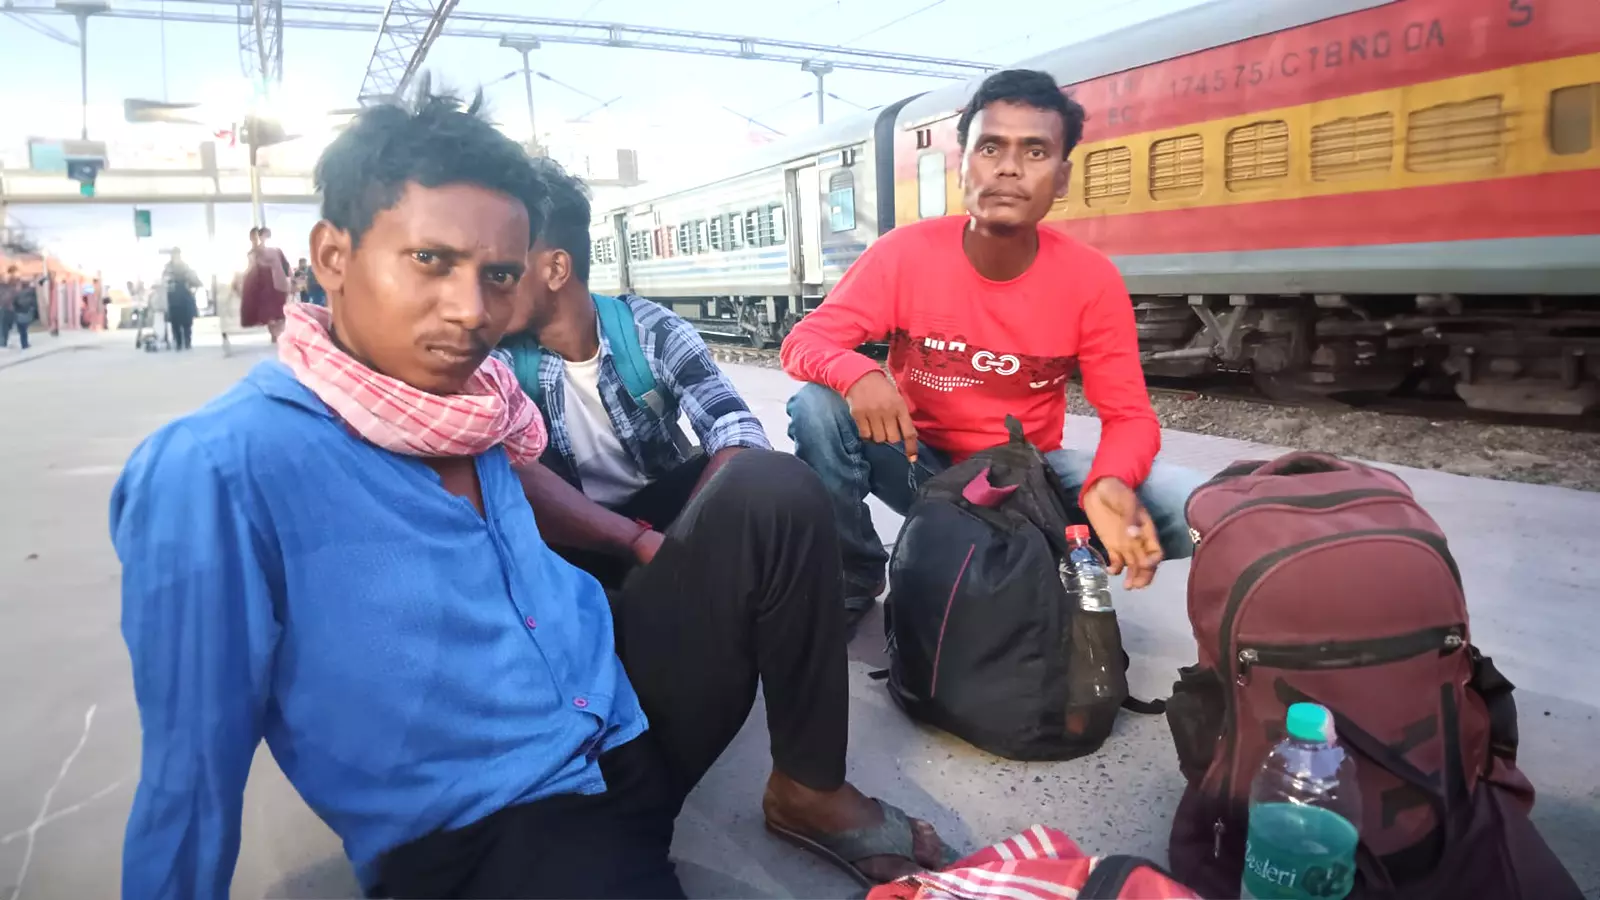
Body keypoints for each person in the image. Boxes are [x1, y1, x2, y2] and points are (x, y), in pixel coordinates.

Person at [112, 86, 950, 900]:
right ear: (333, 256)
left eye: (499, 273)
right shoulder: (220, 469)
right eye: (431, 261)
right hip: (499, 824)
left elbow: (527, 475)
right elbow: (189, 780)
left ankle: (807, 788)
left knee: (772, 487)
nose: (472, 310)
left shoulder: (469, 406)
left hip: (622, 713)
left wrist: (632, 542)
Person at [782, 69, 1204, 628]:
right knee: (817, 407)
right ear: (962, 168)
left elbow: (1129, 417)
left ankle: (1038, 553)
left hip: (1026, 477)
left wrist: (1110, 482)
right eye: (989, 147)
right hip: (918, 466)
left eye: (1034, 151)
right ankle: (855, 570)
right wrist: (858, 373)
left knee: (1201, 502)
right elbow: (804, 341)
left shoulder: (1091, 280)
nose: (1008, 166)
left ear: (1061, 179)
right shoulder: (904, 255)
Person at [495, 159, 773, 589]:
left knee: (773, 481)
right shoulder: (497, 360)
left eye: (502, 271)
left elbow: (737, 431)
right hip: (569, 533)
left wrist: (673, 545)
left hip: (662, 516)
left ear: (555, 269)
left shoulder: (649, 331)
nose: (481, 290)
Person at [239, 226, 291, 341]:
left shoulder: (275, 250)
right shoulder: (255, 251)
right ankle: (275, 334)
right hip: (263, 283)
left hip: (275, 281)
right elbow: (251, 265)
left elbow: (286, 266)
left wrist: (290, 280)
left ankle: (277, 333)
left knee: (277, 310)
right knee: (270, 310)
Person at [163, 250, 202, 351]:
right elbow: (164, 282)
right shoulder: (168, 268)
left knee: (186, 323)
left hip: (184, 297)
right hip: (175, 298)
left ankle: (186, 342)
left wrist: (192, 288)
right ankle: (179, 342)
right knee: (176, 322)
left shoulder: (185, 267)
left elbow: (197, 282)